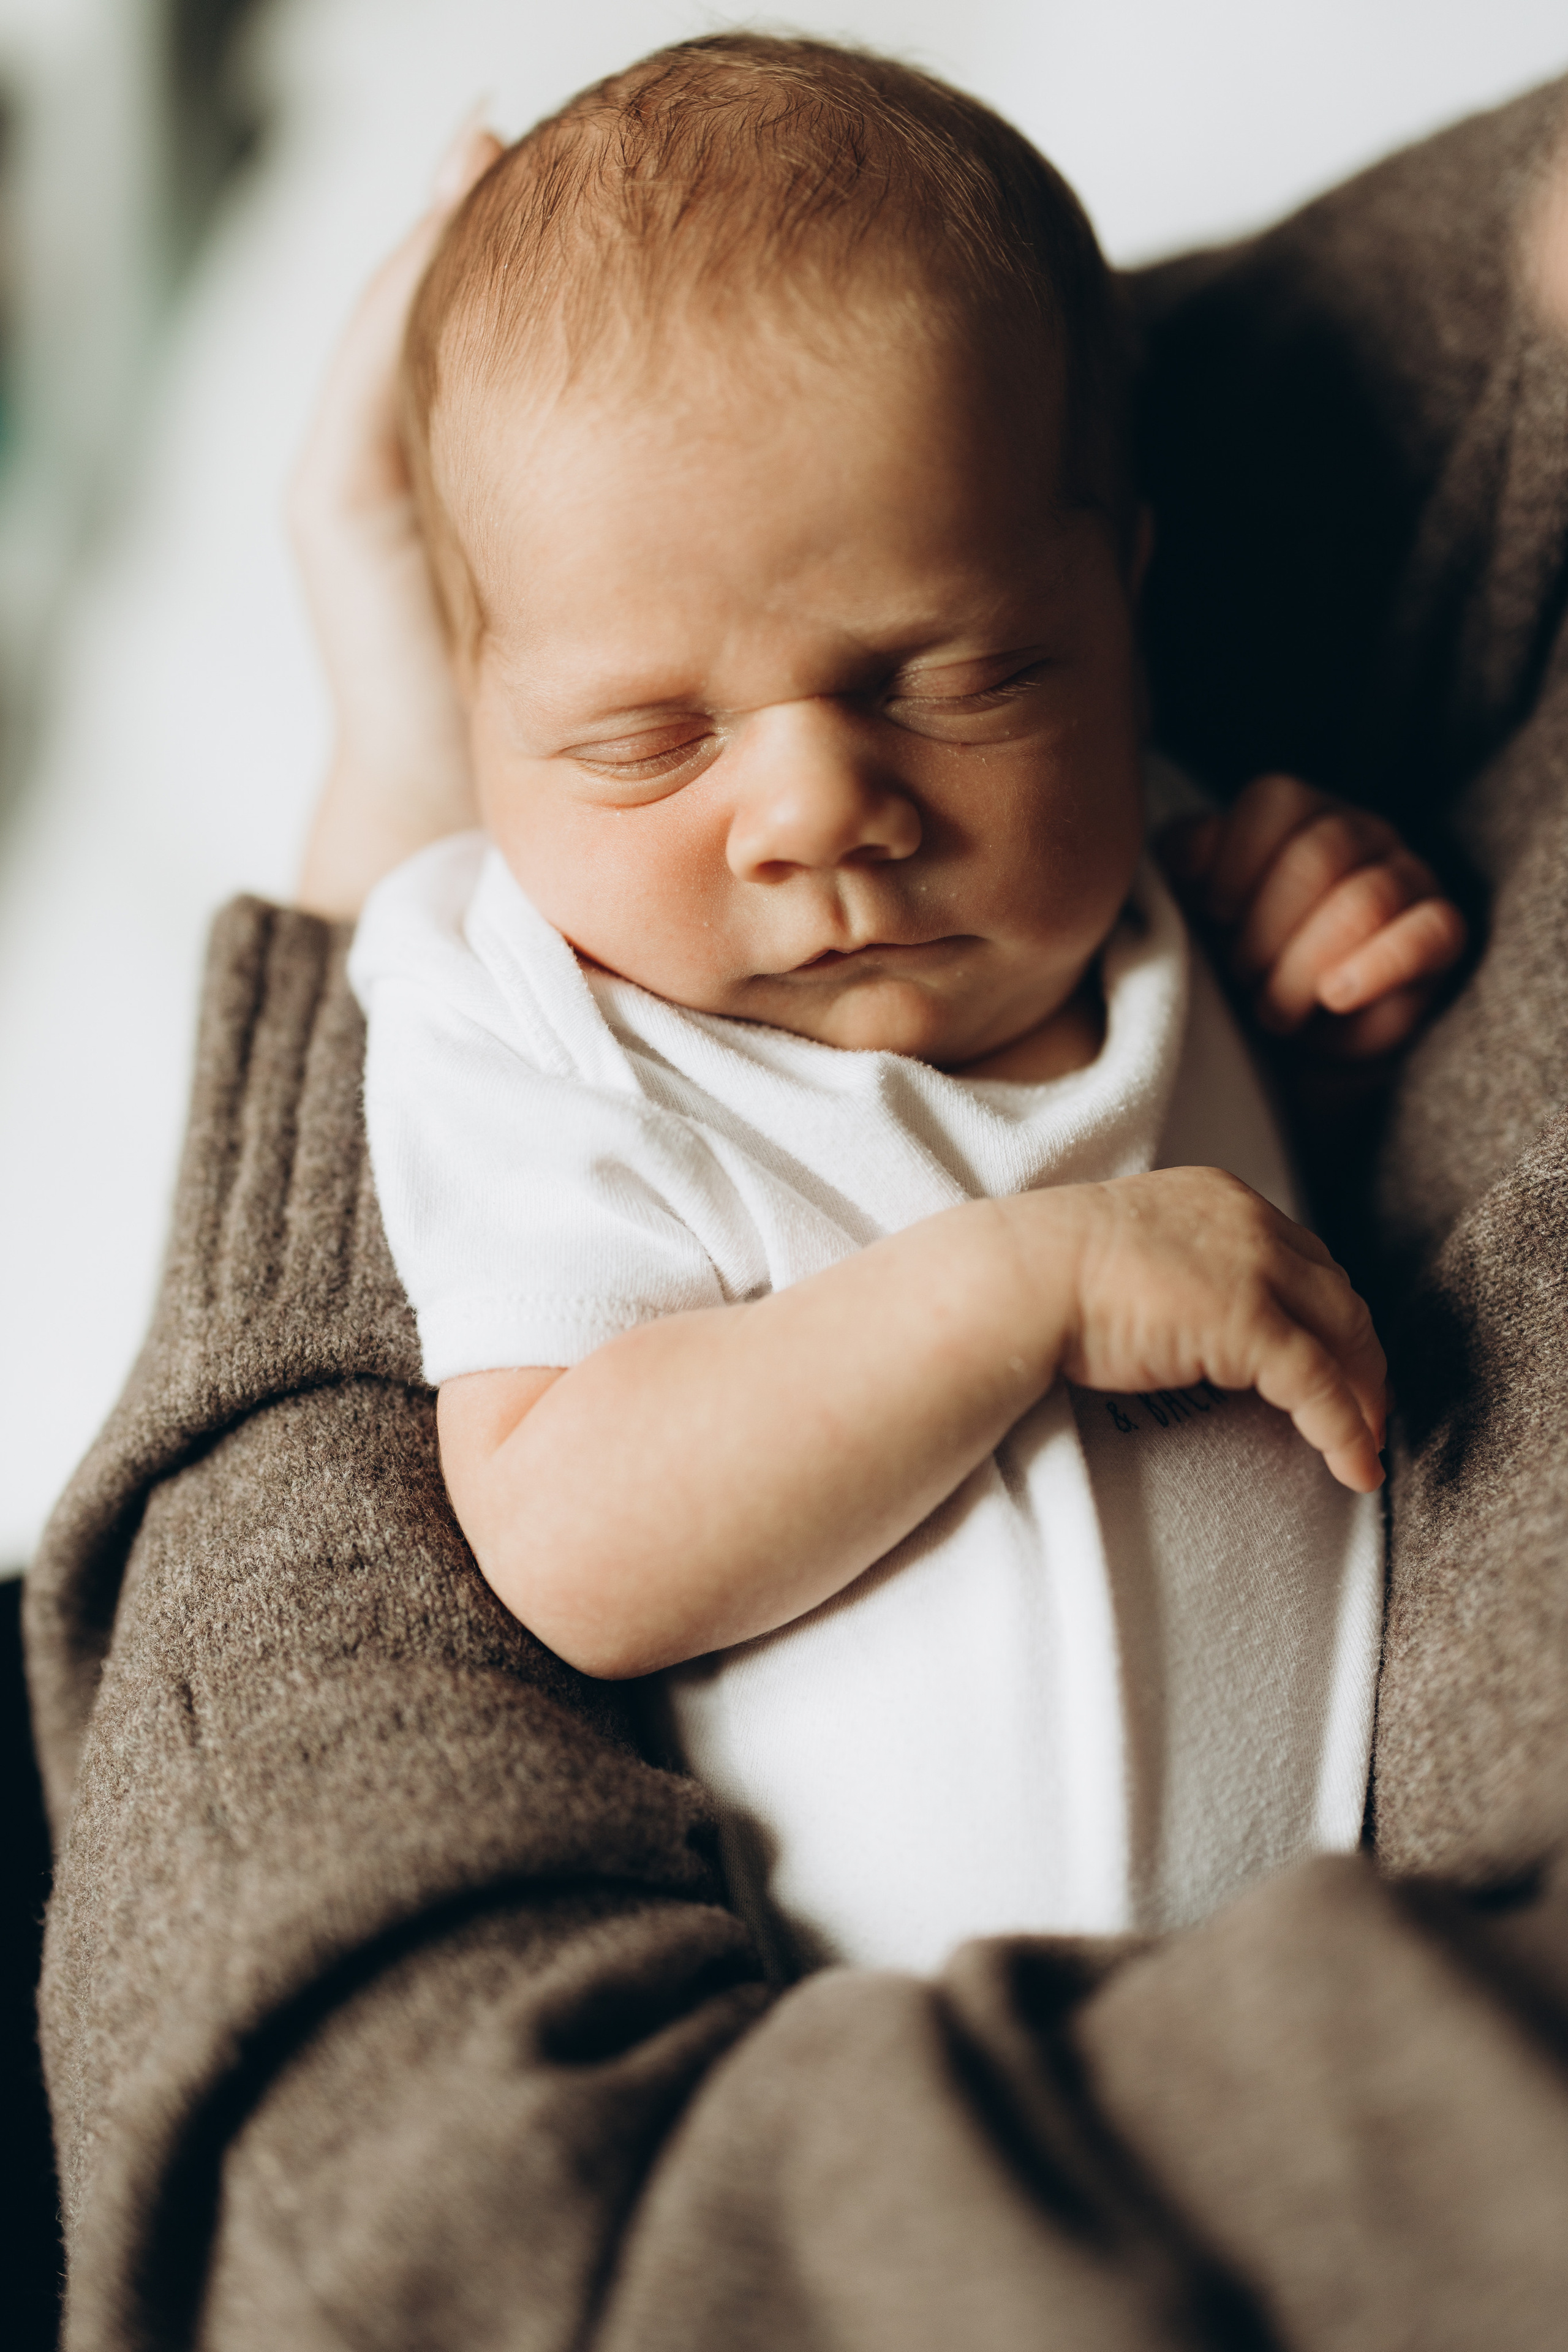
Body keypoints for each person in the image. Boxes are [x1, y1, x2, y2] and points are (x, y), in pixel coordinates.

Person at [333, 36, 1464, 1975]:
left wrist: (1322, 1012)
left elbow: (1295, 1257)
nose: (814, 808)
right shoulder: (531, 1013)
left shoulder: (1145, 871)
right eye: (645, 738)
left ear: (1121, 599)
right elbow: (571, 1535)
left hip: (1335, 1983)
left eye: (955, 679)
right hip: (878, 2062)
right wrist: (1023, 1289)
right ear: (477, 716)